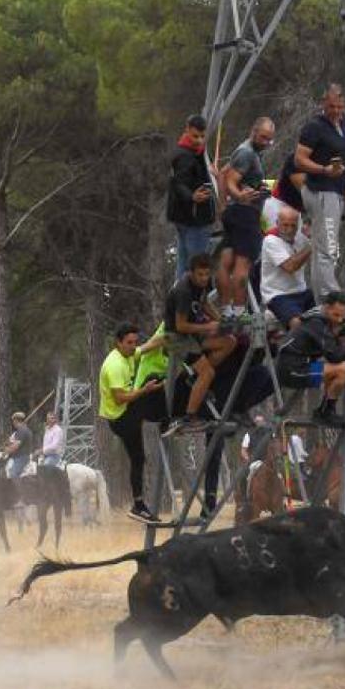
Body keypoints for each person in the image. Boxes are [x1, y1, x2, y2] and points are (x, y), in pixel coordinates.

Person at [164, 253, 237, 434]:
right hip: (178, 338)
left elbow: (204, 303)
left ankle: (198, 379)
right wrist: (208, 327)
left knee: (229, 342)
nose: (204, 279)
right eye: (200, 275)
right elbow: (180, 326)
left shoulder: (201, 285)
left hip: (194, 334)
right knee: (208, 372)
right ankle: (189, 416)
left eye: (207, 274)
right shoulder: (183, 292)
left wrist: (222, 321)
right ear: (191, 273)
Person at [99, 322, 165, 523]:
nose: (133, 346)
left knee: (138, 459)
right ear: (118, 343)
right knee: (153, 383)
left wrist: (168, 336)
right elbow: (121, 398)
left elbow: (148, 347)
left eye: (135, 342)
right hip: (121, 419)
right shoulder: (115, 365)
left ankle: (138, 505)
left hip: (124, 415)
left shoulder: (128, 353)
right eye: (129, 343)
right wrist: (145, 390)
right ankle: (168, 420)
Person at [296, 84, 345, 298]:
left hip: (337, 190)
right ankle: (330, 296)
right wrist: (323, 170)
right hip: (321, 191)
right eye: (332, 106)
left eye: (340, 107)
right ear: (324, 104)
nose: (336, 111)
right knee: (327, 246)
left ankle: (323, 297)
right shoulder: (314, 127)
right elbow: (299, 159)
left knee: (325, 245)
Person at [218, 117, 275, 321]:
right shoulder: (247, 152)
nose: (267, 142)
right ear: (254, 131)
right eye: (263, 137)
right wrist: (237, 195)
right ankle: (240, 312)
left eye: (270, 139)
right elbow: (232, 180)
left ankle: (226, 310)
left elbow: (223, 173)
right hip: (245, 213)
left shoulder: (247, 151)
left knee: (227, 260)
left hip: (234, 213)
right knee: (242, 265)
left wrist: (223, 205)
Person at [275, 291, 345, 425]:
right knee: (342, 369)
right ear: (326, 307)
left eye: (342, 317)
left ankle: (324, 410)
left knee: (337, 369)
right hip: (292, 370)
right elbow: (334, 356)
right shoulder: (317, 322)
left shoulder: (318, 318)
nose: (339, 320)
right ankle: (326, 413)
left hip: (298, 366)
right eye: (336, 315)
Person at [167, 114, 216, 279]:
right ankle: (188, 300)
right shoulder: (184, 156)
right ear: (186, 130)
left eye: (202, 136)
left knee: (184, 262)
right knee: (196, 266)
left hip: (185, 218)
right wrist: (192, 197)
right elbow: (179, 183)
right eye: (195, 136)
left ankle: (179, 299)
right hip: (194, 219)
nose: (199, 140)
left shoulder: (194, 152)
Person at [260, 205, 314, 330]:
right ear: (277, 223)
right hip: (278, 295)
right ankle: (294, 348)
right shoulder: (270, 241)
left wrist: (313, 235)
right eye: (285, 225)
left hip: (302, 292)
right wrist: (313, 244)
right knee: (297, 323)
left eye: (293, 226)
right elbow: (290, 267)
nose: (289, 230)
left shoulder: (301, 239)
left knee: (325, 316)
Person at [36, 410, 71, 517]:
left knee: (46, 468)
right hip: (46, 455)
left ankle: (49, 494)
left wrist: (42, 450)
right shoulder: (47, 429)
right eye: (48, 418)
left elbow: (55, 446)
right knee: (34, 469)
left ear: (55, 419)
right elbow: (45, 443)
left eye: (51, 418)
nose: (49, 420)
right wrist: (41, 453)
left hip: (54, 456)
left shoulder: (58, 430)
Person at [3, 412, 34, 478]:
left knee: (12, 474)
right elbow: (12, 443)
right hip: (17, 457)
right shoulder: (21, 431)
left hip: (21, 457)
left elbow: (15, 447)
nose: (13, 423)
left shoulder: (22, 430)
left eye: (13, 421)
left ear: (16, 420)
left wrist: (4, 452)